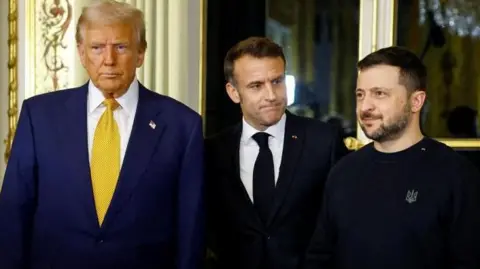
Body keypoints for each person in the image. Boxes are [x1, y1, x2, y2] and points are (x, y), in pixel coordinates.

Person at [0, 1, 204, 268]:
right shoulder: (39, 117)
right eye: (97, 48)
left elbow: (190, 230)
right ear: (82, 54)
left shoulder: (183, 126)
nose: (109, 59)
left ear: (141, 53)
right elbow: (13, 216)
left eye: (121, 47)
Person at [303, 46, 480, 269]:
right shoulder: (342, 172)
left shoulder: (457, 175)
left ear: (416, 101)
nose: (365, 106)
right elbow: (319, 258)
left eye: (380, 93)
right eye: (360, 94)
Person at [205, 37, 348, 269]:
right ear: (233, 92)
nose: (271, 95)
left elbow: (343, 222)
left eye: (277, 81)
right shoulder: (212, 152)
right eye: (256, 85)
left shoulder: (323, 141)